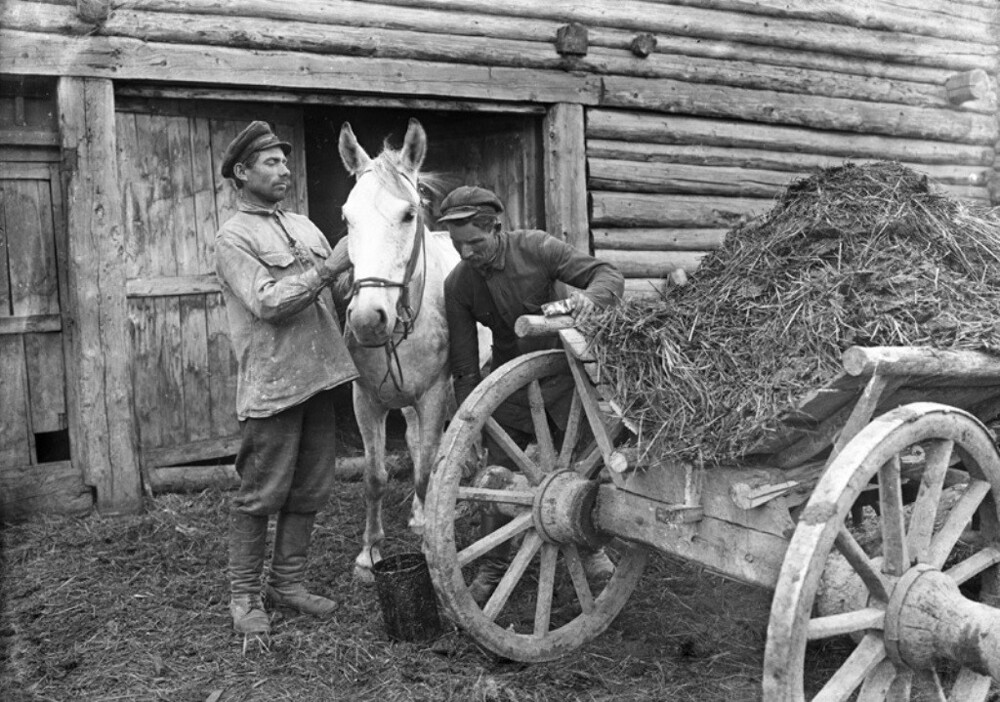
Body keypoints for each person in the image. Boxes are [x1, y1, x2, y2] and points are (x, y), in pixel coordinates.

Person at [440, 185, 624, 604]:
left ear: (496, 228)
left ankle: (591, 550)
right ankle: (493, 565)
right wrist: (472, 421)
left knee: (580, 467)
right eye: (457, 245)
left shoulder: (537, 248)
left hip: (564, 381)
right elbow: (466, 366)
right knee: (498, 482)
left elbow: (608, 275)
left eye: (475, 242)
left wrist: (587, 302)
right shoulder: (459, 284)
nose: (466, 253)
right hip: (509, 387)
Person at [214, 121, 357, 636]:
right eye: (271, 162)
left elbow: (336, 296)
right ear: (241, 172)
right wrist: (326, 271)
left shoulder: (304, 226)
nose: (284, 170)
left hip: (320, 377)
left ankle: (288, 584)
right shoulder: (233, 237)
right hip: (273, 387)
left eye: (284, 161)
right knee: (261, 493)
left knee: (311, 489)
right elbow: (268, 303)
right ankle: (245, 597)